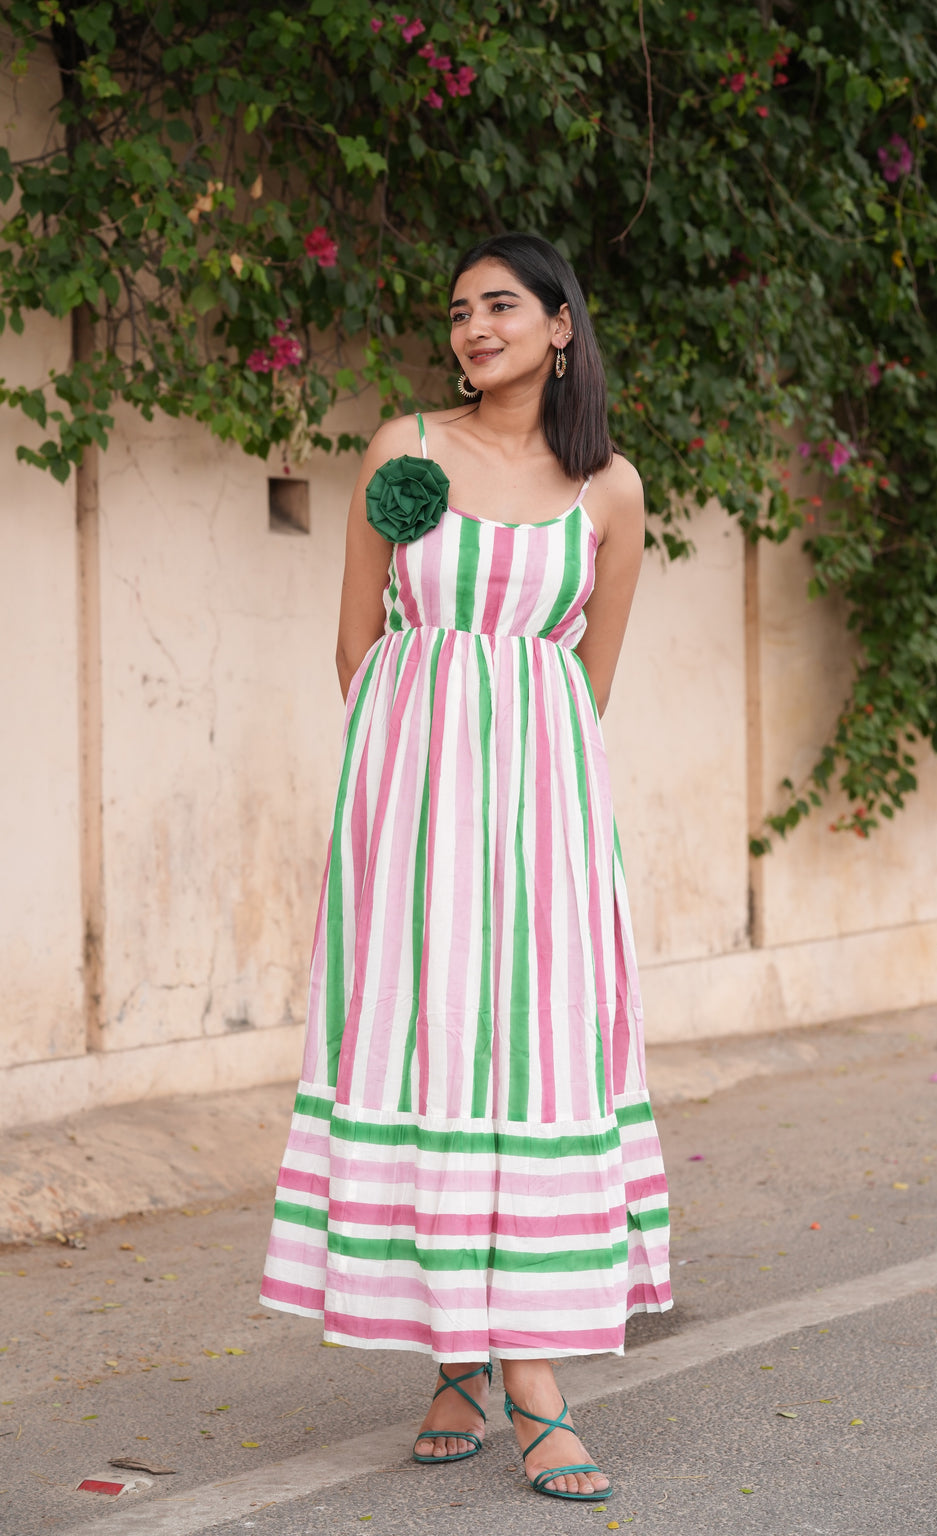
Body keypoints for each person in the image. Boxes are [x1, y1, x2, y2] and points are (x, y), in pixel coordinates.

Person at [260, 232, 672, 1501]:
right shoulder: (406, 452)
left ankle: (531, 1374)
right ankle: (456, 1355)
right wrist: (420, 785)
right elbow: (355, 644)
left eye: (500, 305)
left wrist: (519, 776)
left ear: (560, 326)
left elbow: (586, 676)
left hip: (545, 817)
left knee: (536, 1056)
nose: (472, 327)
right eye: (456, 311)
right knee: (431, 1048)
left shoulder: (611, 489)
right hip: (414, 815)